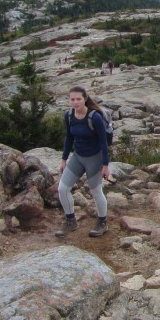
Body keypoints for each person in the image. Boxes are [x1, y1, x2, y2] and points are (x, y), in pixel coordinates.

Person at [56, 86, 112, 238]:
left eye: (78, 99)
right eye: (72, 99)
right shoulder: (69, 116)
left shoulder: (95, 117)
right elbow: (69, 138)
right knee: (62, 188)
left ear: (85, 99)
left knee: (96, 191)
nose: (75, 102)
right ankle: (70, 221)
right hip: (78, 156)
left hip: (95, 158)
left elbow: (103, 143)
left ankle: (102, 222)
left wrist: (105, 166)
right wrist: (64, 159)